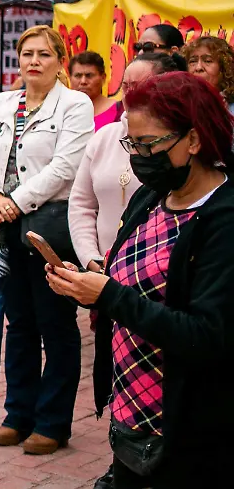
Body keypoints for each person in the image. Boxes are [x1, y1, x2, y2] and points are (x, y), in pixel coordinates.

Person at [48, 72, 234, 486]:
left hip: (188, 429)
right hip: (132, 416)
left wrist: (111, 295)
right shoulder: (152, 198)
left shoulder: (222, 221)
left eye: (149, 145)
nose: (139, 158)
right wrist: (88, 287)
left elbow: (207, 335)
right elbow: (128, 285)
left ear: (194, 140)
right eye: (132, 144)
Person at [0, 25, 94, 456]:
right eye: (27, 54)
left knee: (55, 324)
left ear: (60, 60)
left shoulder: (76, 104)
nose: (34, 62)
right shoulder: (2, 103)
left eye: (44, 54)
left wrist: (15, 202)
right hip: (4, 227)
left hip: (50, 229)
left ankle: (53, 421)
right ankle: (17, 412)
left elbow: (65, 167)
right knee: (18, 323)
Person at [70, 53, 180, 277]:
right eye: (126, 86)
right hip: (104, 274)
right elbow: (81, 204)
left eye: (140, 87)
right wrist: (92, 259)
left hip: (158, 275)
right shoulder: (105, 137)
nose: (130, 95)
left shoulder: (176, 144)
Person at [181, 35, 234, 113]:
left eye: (208, 61)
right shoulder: (179, 105)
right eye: (193, 61)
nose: (198, 68)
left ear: (224, 68)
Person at [70, 51, 121, 130]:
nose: (83, 81)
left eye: (89, 75)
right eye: (78, 76)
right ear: (70, 78)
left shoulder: (119, 111)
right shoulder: (61, 111)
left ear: (103, 78)